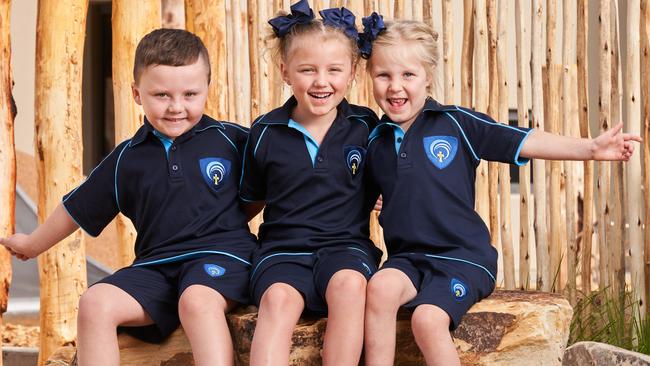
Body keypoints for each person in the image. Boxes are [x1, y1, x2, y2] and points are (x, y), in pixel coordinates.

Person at [360, 17, 641, 366]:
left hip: (461, 258)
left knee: (427, 320)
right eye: (383, 75)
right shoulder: (373, 140)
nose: (395, 87)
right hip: (407, 259)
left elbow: (522, 140)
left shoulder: (456, 123)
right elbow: (358, 190)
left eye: (408, 75)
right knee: (379, 288)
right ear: (370, 76)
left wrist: (591, 148)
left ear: (428, 76)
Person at [0, 28, 256, 366]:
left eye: (190, 94)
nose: (177, 107)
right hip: (155, 267)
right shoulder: (126, 158)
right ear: (137, 93)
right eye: (161, 95)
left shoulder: (232, 140)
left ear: (208, 87)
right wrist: (32, 244)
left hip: (222, 258)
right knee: (95, 302)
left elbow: (273, 181)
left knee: (196, 301)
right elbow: (76, 208)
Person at [239, 1, 382, 365]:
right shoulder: (265, 131)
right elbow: (250, 201)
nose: (321, 82)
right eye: (307, 70)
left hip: (345, 246)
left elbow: (387, 177)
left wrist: (385, 196)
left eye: (334, 70)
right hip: (283, 250)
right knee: (277, 300)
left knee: (350, 288)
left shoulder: (365, 126)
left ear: (351, 72)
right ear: (286, 72)